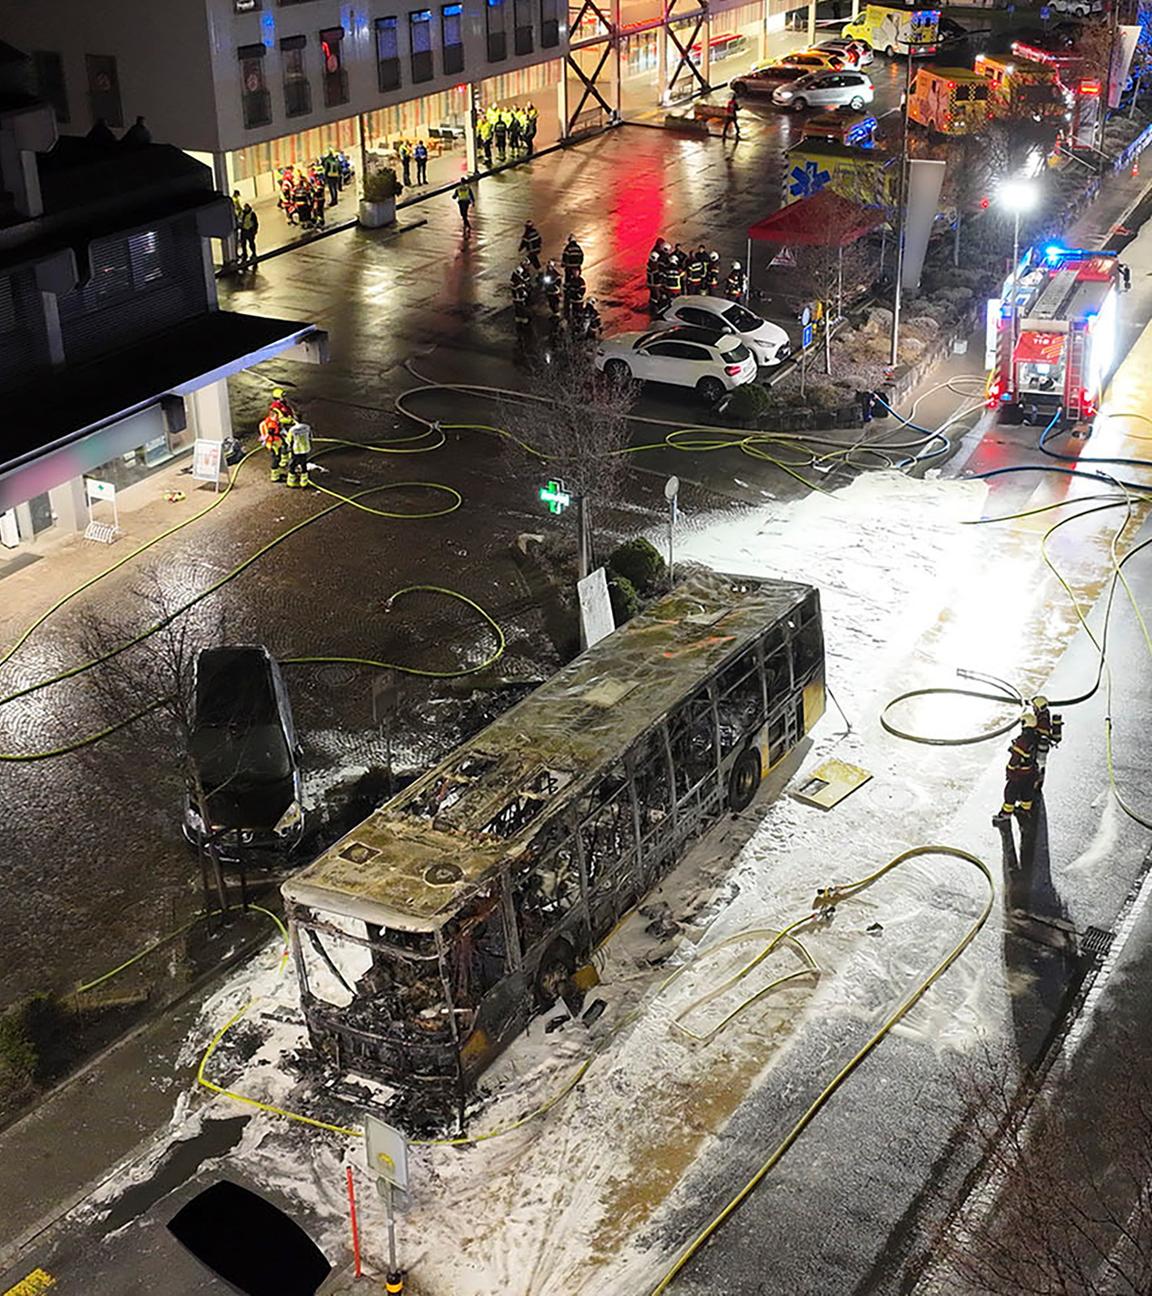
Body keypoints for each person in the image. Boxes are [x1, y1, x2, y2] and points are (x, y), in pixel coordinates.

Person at [993, 713, 1041, 826]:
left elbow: (1015, 758)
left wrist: (1009, 770)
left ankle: (1005, 815)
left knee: (1010, 792)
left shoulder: (1023, 741)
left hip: (1019, 774)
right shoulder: (1036, 737)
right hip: (1031, 773)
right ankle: (1025, 810)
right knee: (1027, 792)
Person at [1030, 695, 1063, 790]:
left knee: (1038, 766)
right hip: (1043, 745)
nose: (1033, 708)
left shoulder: (1042, 719)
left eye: (1034, 706)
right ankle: (1038, 783)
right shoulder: (1044, 714)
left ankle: (1036, 784)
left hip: (1040, 745)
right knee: (1041, 766)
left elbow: (1041, 731)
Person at [258, 413, 289, 483]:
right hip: (273, 444)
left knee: (277, 458)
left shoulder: (269, 422)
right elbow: (272, 435)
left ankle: (277, 474)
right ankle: (275, 477)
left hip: (275, 443)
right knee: (276, 459)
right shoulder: (271, 425)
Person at [285, 420, 314, 488]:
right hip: (305, 449)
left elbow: (289, 440)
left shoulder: (292, 430)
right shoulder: (307, 427)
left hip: (296, 449)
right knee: (304, 465)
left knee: (293, 464)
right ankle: (304, 483)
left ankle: (291, 482)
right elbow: (310, 437)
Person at [238, 203, 259, 269]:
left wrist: (255, 230)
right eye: (245, 207)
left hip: (249, 230)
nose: (245, 208)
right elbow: (239, 220)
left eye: (246, 207)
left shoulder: (252, 214)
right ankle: (245, 254)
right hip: (243, 230)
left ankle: (254, 254)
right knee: (243, 244)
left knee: (251, 243)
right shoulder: (242, 213)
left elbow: (255, 223)